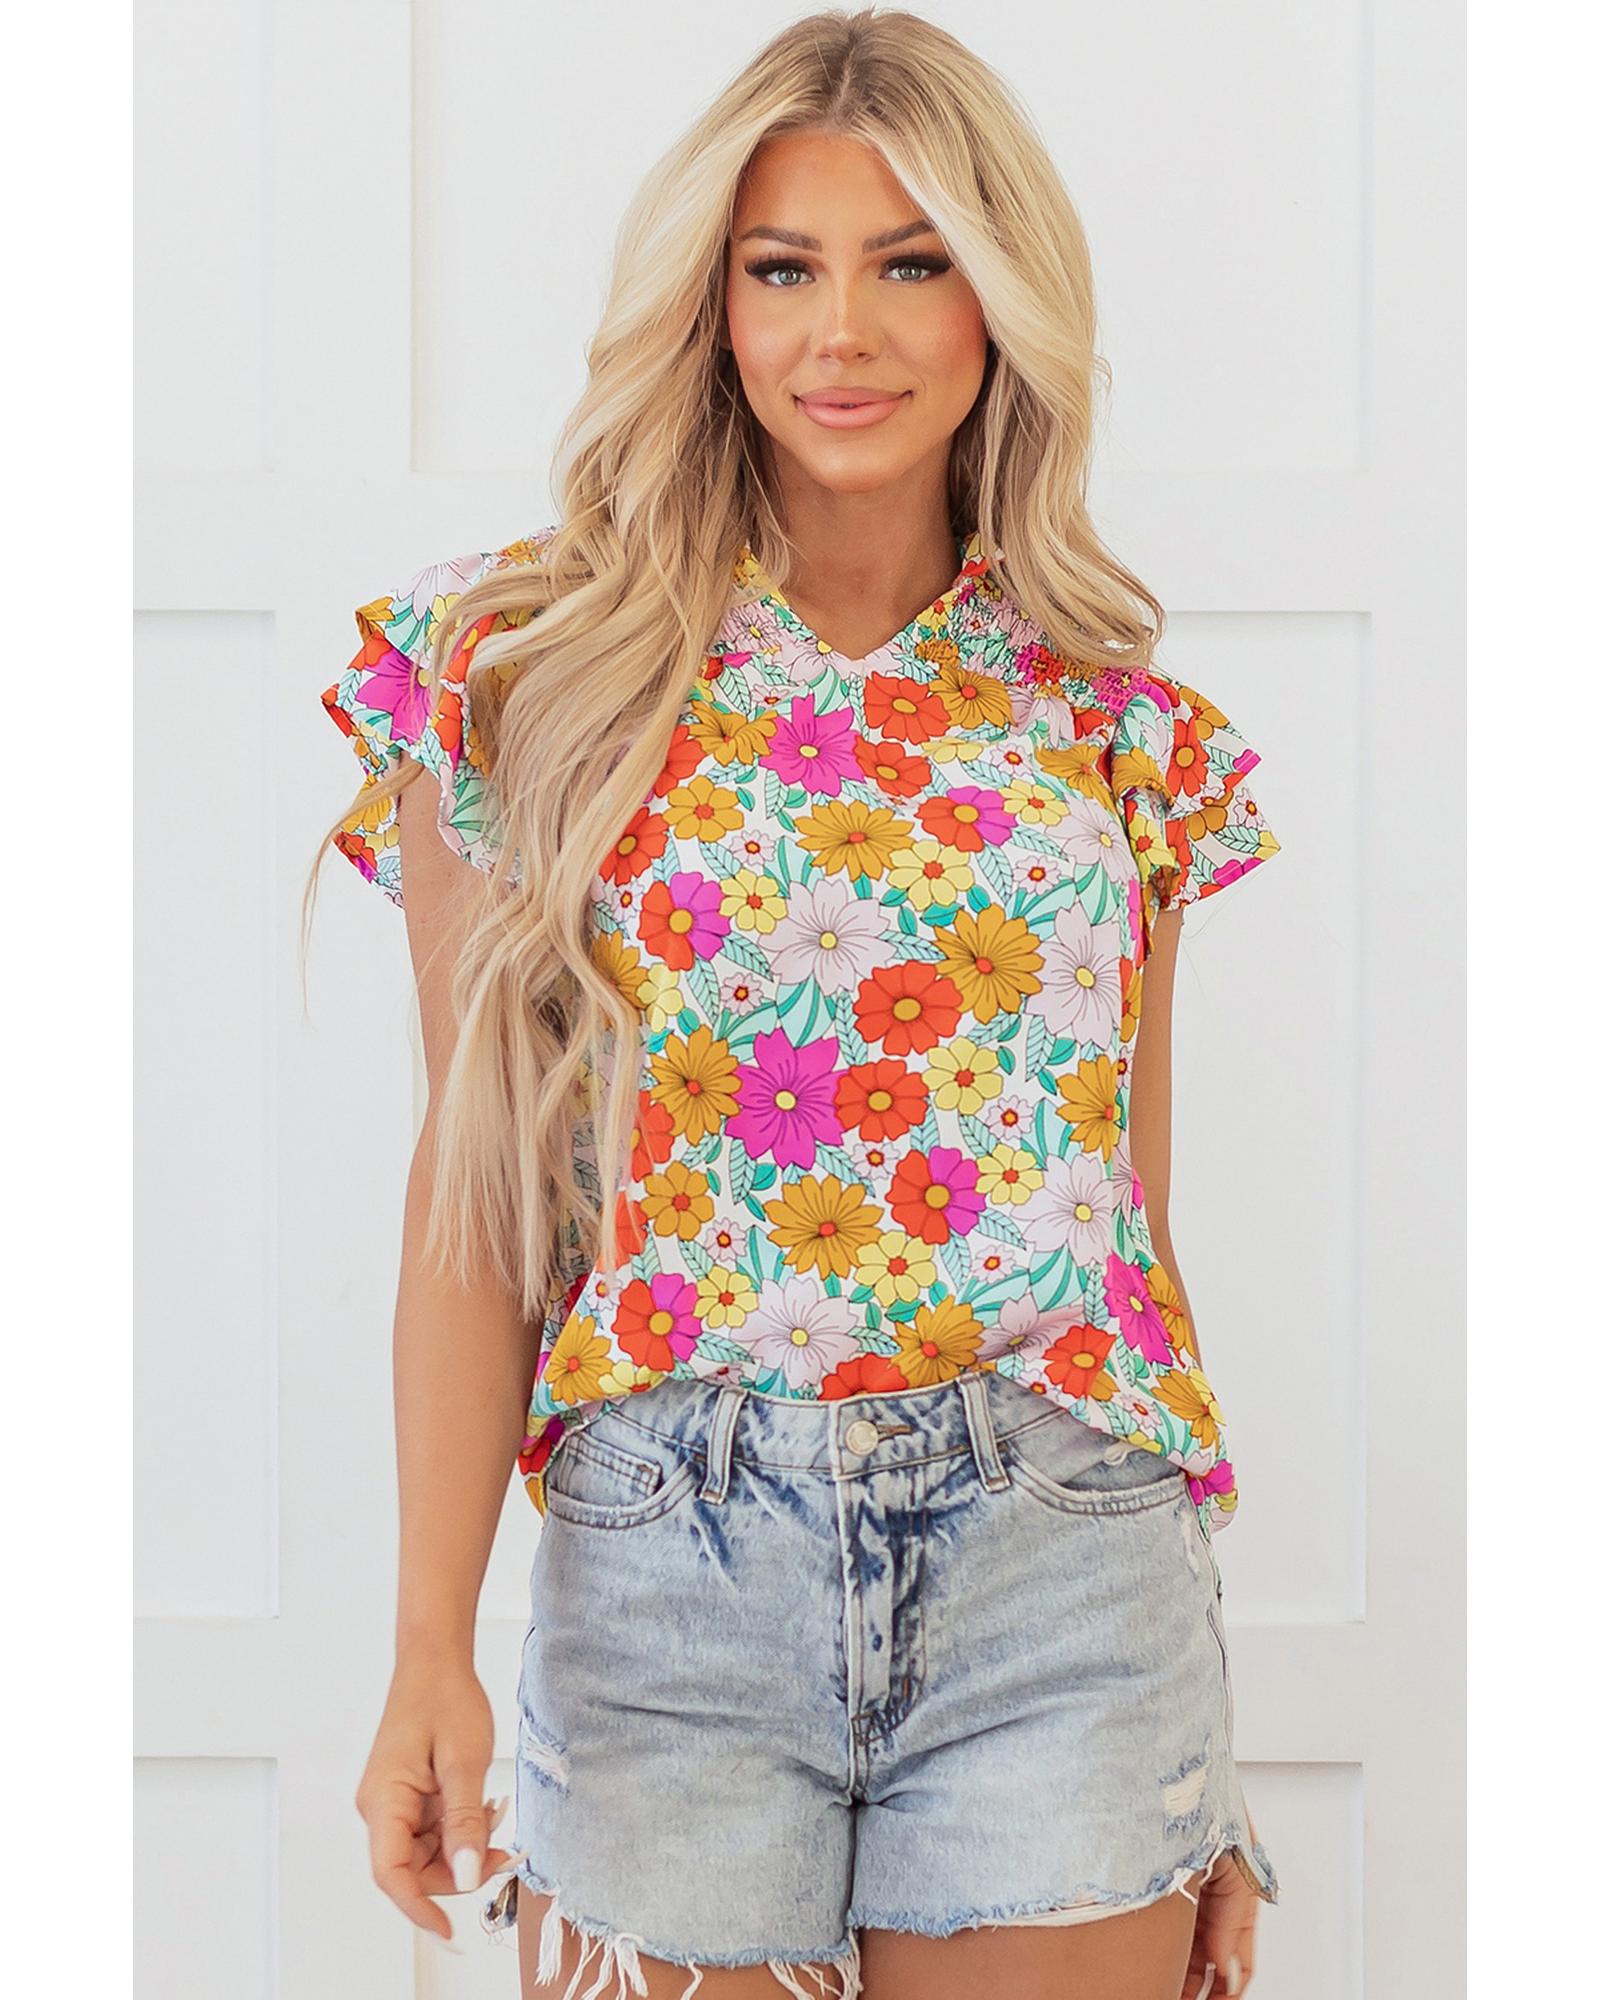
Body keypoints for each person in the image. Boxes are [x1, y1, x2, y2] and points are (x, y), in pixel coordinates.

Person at [310, 11, 1285, 1998]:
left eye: (910, 263)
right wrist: (427, 1646)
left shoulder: (1110, 728)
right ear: (713, 304)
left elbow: (1121, 1224)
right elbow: (472, 1193)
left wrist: (1200, 1745)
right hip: (665, 1568)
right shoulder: (520, 673)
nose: (842, 333)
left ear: (1000, 299)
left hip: (1065, 1575)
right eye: (782, 269)